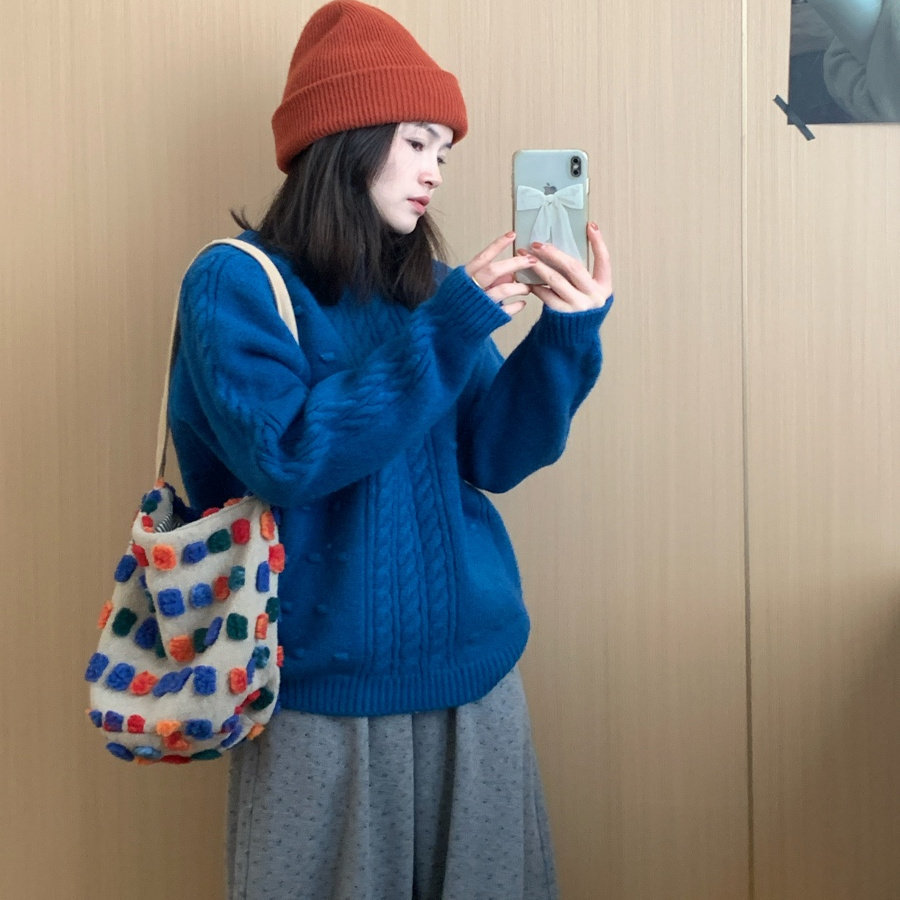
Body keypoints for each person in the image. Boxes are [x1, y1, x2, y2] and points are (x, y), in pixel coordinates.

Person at [168, 2, 613, 897]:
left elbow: (494, 456)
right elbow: (286, 457)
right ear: (344, 137)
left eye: (443, 150)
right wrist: (452, 327)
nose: (434, 170)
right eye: (415, 142)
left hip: (474, 685)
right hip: (316, 704)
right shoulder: (235, 283)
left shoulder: (430, 291)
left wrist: (566, 336)